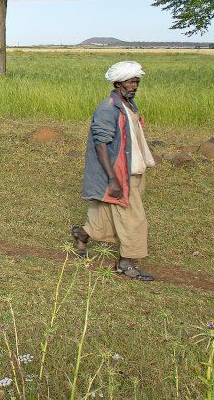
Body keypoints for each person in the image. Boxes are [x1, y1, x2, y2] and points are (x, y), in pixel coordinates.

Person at [71, 60, 156, 280]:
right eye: (130, 81)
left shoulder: (127, 105)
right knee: (134, 219)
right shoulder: (107, 108)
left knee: (103, 215)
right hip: (119, 174)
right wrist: (113, 179)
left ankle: (81, 235)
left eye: (136, 81)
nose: (135, 86)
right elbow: (101, 145)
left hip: (132, 170)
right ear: (118, 83)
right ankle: (126, 263)